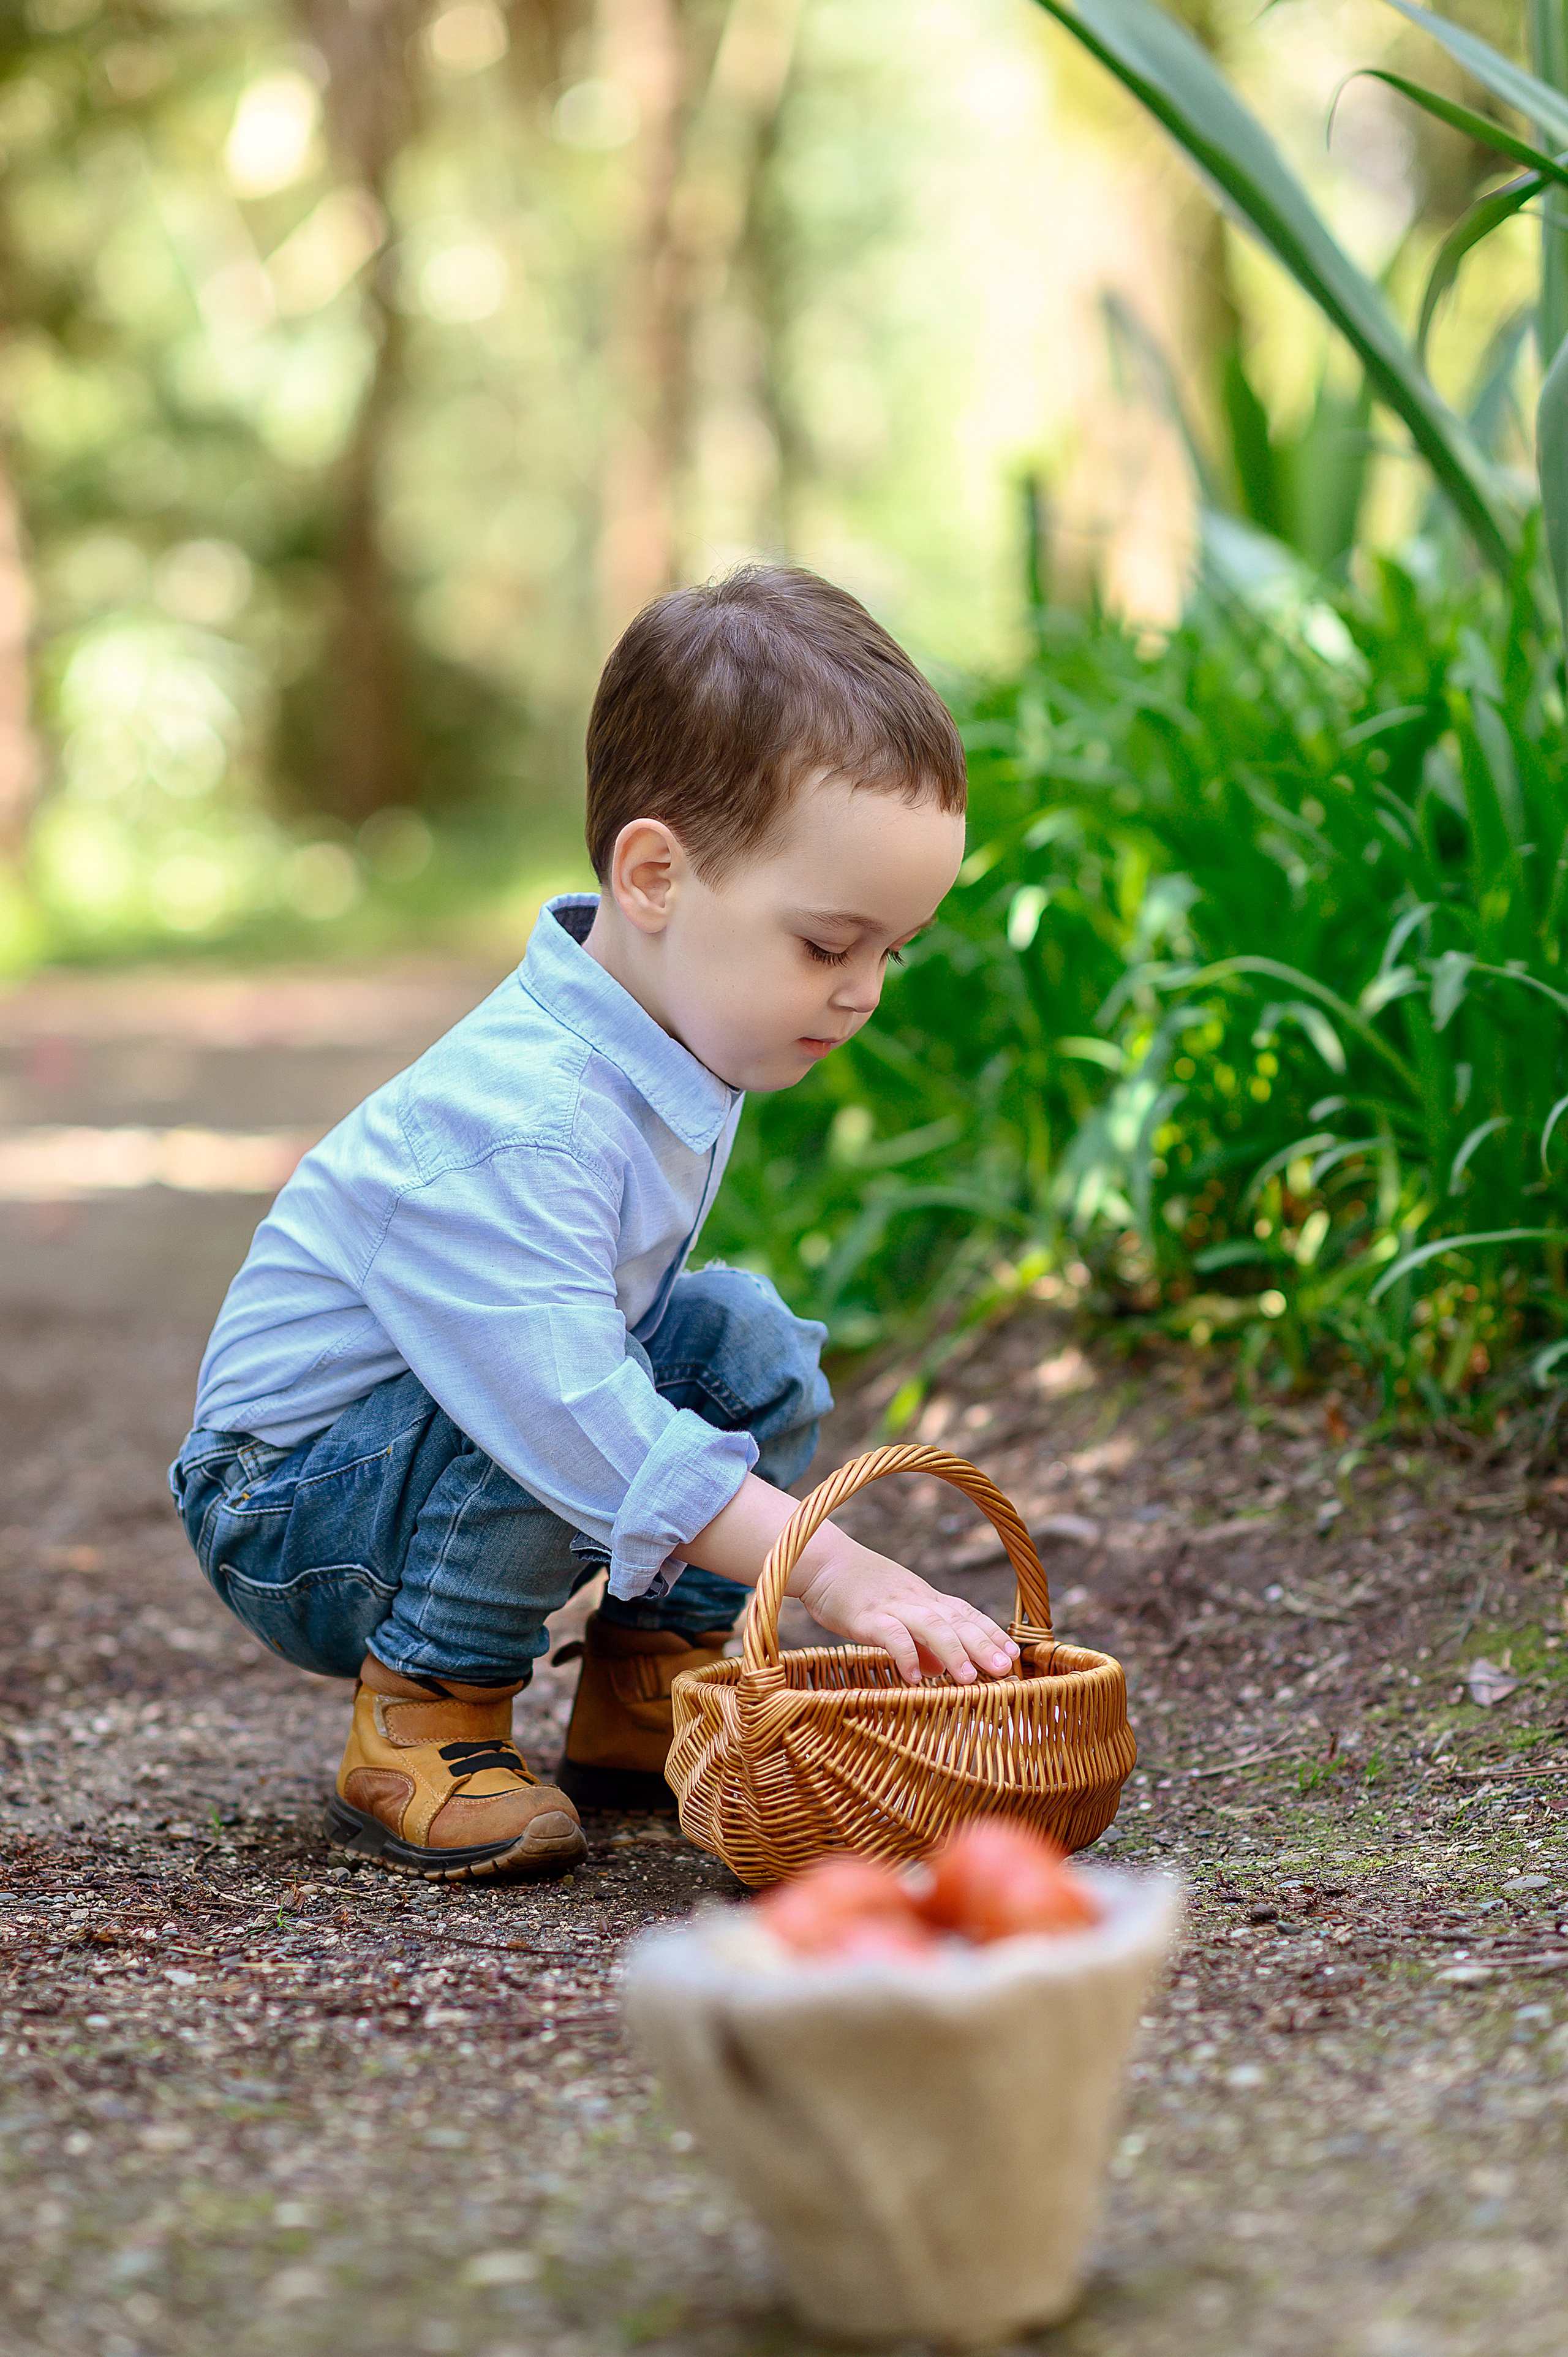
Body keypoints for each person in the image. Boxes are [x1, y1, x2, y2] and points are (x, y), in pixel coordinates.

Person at [168, 566, 1019, 1883]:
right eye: (826, 945)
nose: (861, 993)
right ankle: (425, 1714)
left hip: (431, 1436)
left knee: (743, 1342)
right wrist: (831, 1569)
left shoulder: (668, 1030)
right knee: (546, 1395)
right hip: (291, 1508)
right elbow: (561, 1407)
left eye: (889, 952)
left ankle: (645, 1684)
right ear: (655, 875)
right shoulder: (524, 1119)